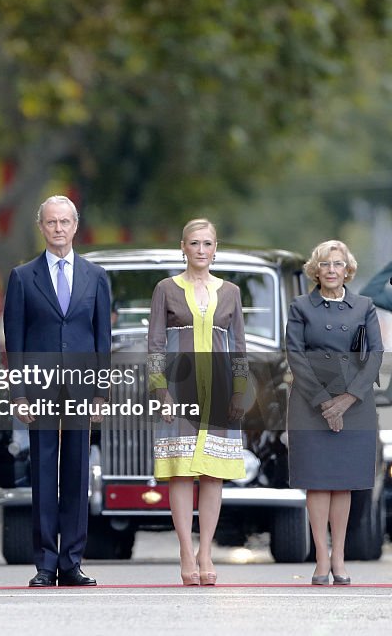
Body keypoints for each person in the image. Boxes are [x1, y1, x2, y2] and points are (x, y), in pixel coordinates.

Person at [3, 195, 110, 588]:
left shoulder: (95, 276)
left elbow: (102, 338)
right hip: (39, 387)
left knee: (78, 470)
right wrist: (17, 394)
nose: (59, 229)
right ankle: (45, 563)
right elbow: (14, 341)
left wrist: (102, 392)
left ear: (75, 226)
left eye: (65, 222)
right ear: (42, 226)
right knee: (44, 471)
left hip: (83, 386)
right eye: (51, 222)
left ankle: (72, 562)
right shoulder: (22, 277)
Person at [147, 218, 247, 586]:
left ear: (215, 249)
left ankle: (206, 552)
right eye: (194, 243)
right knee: (181, 470)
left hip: (219, 390)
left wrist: (239, 391)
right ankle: (186, 552)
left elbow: (239, 347)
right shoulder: (166, 289)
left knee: (212, 473)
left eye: (207, 243)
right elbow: (155, 344)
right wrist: (161, 391)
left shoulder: (232, 292)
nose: (201, 250)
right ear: (183, 247)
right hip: (179, 387)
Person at [286, 240, 383, 586]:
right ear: (316, 269)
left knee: (343, 483)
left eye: (338, 264)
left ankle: (339, 557)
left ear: (348, 270)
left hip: (355, 402)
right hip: (311, 402)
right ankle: (321, 558)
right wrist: (326, 403)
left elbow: (374, 356)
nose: (331, 270)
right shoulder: (300, 306)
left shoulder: (365, 306)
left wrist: (347, 399)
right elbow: (295, 355)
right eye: (325, 264)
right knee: (317, 482)